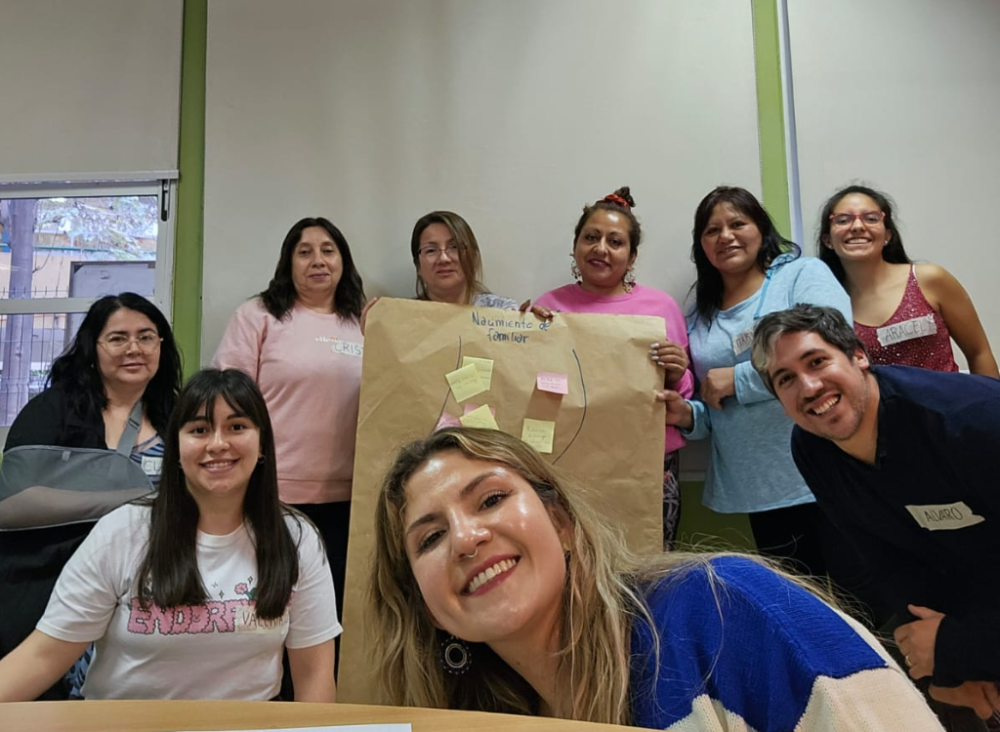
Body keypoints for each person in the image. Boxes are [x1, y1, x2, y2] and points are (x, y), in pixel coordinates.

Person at [367, 427, 943, 730]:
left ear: (561, 522)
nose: (466, 538)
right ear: (423, 603)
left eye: (490, 499)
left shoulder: (725, 607)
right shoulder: (489, 723)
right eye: (430, 538)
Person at [0, 368, 339, 702]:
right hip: (124, 728)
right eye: (199, 430)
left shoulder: (297, 538)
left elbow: (314, 675)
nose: (218, 444)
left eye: (237, 427)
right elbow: (43, 656)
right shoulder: (123, 531)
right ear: (176, 449)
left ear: (262, 442)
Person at [751, 303, 1000, 727]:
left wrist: (961, 647)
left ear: (859, 356)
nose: (808, 387)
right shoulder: (813, 448)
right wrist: (941, 662)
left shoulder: (972, 423)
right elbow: (886, 563)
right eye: (786, 379)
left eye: (817, 361)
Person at [656, 186, 851, 577]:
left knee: (864, 601)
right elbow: (714, 405)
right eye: (711, 231)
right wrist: (687, 416)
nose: (725, 236)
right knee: (799, 606)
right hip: (757, 488)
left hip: (823, 471)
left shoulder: (800, 275)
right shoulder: (699, 316)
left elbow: (836, 344)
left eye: (737, 223)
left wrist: (740, 379)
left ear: (761, 229)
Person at [0, 292, 182, 698]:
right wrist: (125, 500)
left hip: (154, 584)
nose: (134, 348)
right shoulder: (52, 411)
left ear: (161, 347)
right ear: (92, 349)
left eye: (147, 337)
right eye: (118, 338)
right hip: (52, 578)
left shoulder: (180, 417)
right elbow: (16, 500)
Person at [214, 217, 365, 621]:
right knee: (269, 612)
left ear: (343, 261)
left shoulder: (364, 322)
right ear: (288, 263)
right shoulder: (258, 316)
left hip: (349, 499)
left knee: (329, 615)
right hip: (273, 495)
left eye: (328, 250)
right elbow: (228, 400)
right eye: (305, 251)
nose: (318, 260)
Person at [533, 187, 694, 549]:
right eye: (591, 237)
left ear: (632, 255)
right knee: (578, 571)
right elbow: (534, 387)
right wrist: (525, 334)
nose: (600, 248)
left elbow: (683, 396)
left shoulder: (661, 307)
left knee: (648, 569)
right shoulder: (549, 306)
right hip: (570, 467)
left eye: (615, 241)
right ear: (576, 246)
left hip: (648, 466)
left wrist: (675, 371)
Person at [817, 184, 997, 377]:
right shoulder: (828, 306)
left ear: (887, 235)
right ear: (828, 240)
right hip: (880, 407)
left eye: (871, 218)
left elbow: (979, 353)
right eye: (843, 220)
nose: (858, 227)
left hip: (951, 404)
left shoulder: (930, 280)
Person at [410, 210, 518, 309]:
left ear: (473, 257)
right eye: (431, 250)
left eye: (454, 247)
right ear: (417, 265)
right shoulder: (402, 315)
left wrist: (532, 326)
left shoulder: (504, 310)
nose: (444, 259)